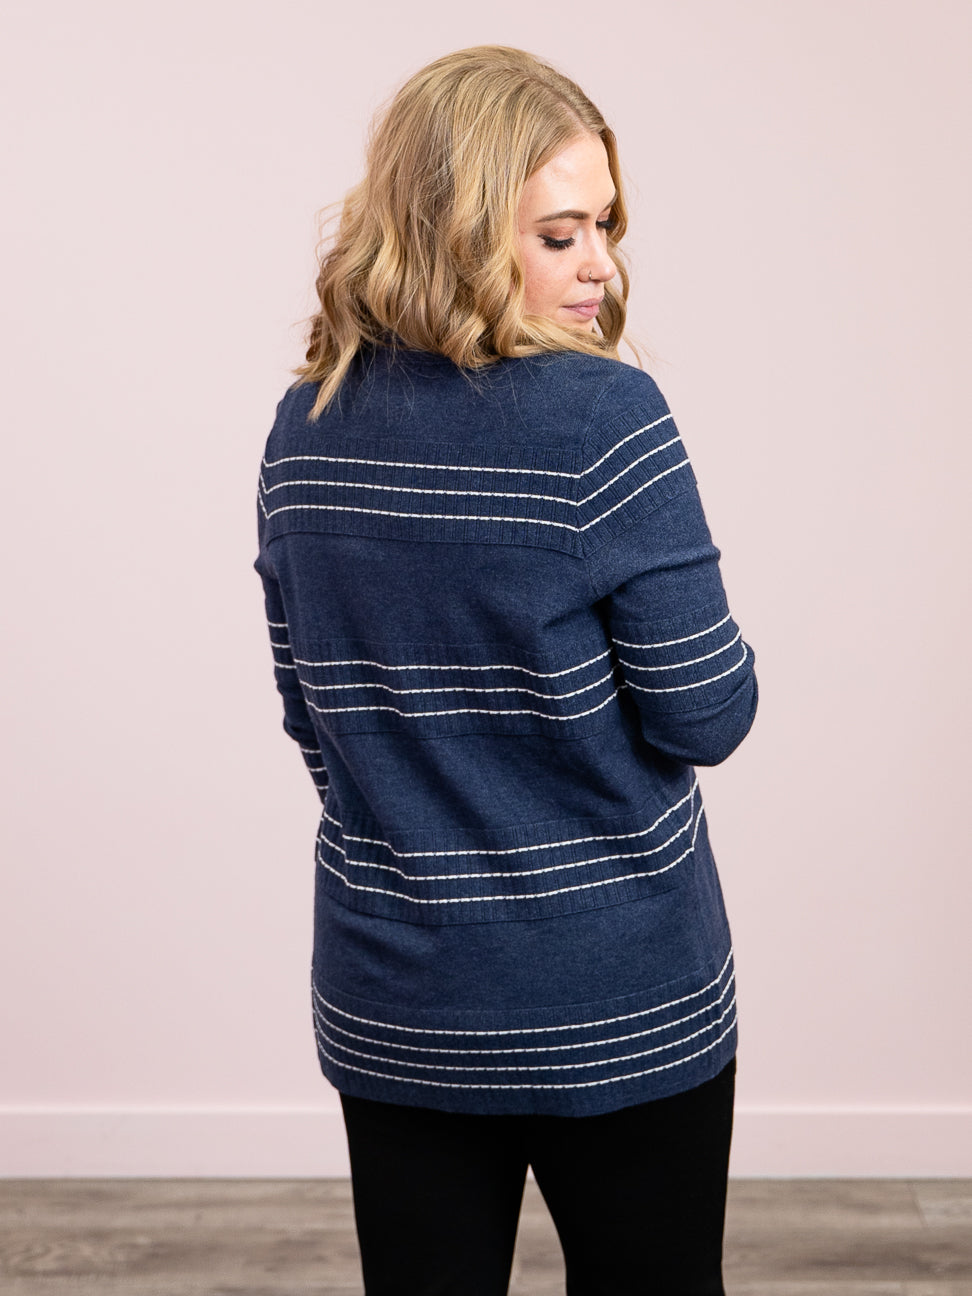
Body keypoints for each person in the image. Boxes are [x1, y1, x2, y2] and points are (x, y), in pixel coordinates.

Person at [254, 45, 757, 1296]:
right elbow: (706, 713)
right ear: (460, 233)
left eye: (606, 228)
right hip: (616, 995)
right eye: (558, 234)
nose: (601, 267)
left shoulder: (305, 424)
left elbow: (312, 716)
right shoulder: (604, 420)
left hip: (397, 992)